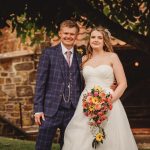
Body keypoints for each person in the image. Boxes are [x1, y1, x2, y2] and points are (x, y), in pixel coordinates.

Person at [62, 26, 138, 150]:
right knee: (82, 136)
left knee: (109, 137)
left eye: (99, 37)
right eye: (93, 37)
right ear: (89, 40)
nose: (96, 40)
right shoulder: (84, 59)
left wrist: (108, 100)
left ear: (104, 41)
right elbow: (82, 83)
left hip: (109, 101)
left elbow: (123, 83)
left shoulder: (112, 57)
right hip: (86, 102)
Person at [34, 20, 83, 150]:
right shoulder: (49, 53)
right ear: (60, 34)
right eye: (66, 33)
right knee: (42, 146)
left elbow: (81, 83)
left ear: (76, 36)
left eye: (72, 34)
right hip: (50, 110)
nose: (69, 36)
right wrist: (38, 109)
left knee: (68, 146)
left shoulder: (80, 57)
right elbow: (40, 82)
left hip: (72, 111)